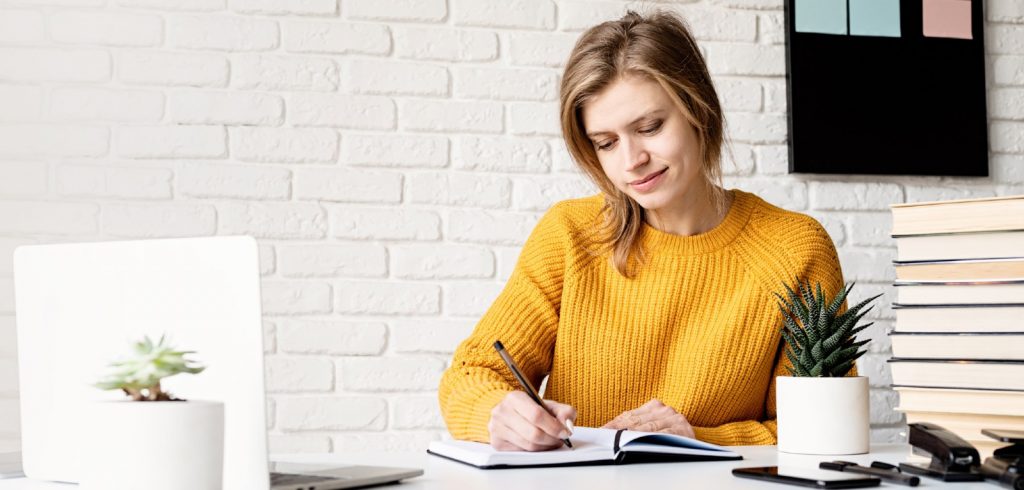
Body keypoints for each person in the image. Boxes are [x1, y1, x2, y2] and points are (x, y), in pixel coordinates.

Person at [437, 9, 847, 452]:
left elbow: (824, 424)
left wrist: (696, 439)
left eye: (649, 127)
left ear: (698, 110)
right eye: (606, 143)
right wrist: (497, 413)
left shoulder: (794, 247)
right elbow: (471, 374)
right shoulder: (570, 235)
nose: (631, 161)